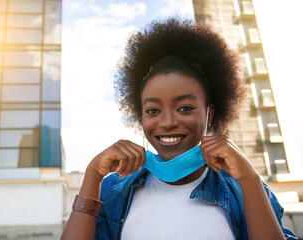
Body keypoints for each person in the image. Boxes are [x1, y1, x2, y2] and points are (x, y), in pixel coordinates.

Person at [61, 17, 297, 240]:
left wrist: (249, 178)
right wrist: (93, 175)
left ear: (209, 113)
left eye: (185, 108)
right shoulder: (113, 190)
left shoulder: (245, 189)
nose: (167, 122)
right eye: (153, 110)